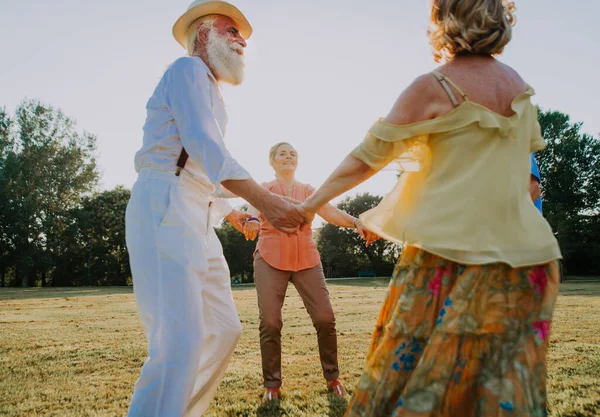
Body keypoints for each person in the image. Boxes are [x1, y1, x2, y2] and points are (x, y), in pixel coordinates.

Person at [295, 1, 562, 415]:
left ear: (443, 19)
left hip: (448, 261)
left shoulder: (435, 85)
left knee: (407, 385)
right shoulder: (521, 89)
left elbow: (366, 158)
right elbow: (525, 186)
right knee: (493, 399)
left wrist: (308, 205)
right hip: (529, 268)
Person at [125, 1, 304, 416]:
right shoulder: (186, 70)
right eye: (232, 30)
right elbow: (205, 148)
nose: (242, 40)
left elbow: (201, 162)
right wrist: (266, 201)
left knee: (224, 330)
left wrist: (231, 212)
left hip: (197, 210)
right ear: (204, 35)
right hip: (164, 204)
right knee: (177, 343)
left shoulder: (212, 90)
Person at [242, 142, 379, 402]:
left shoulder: (309, 191)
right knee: (270, 322)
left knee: (325, 317)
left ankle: (333, 378)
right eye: (282, 153)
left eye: (292, 153)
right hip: (270, 258)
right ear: (272, 161)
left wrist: (356, 222)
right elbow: (252, 210)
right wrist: (250, 220)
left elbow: (329, 212)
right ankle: (272, 386)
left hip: (306, 259)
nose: (288, 156)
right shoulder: (264, 189)